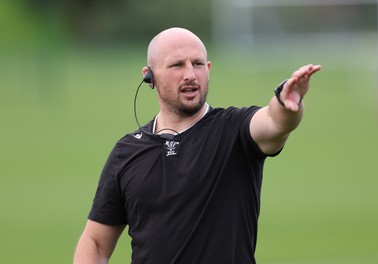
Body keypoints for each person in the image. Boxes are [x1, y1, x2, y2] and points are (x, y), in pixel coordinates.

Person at [73, 27, 321, 264]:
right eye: (177, 65)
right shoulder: (126, 152)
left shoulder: (233, 130)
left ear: (208, 69)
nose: (190, 74)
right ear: (150, 76)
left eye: (198, 64)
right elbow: (95, 241)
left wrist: (288, 100)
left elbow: (275, 122)